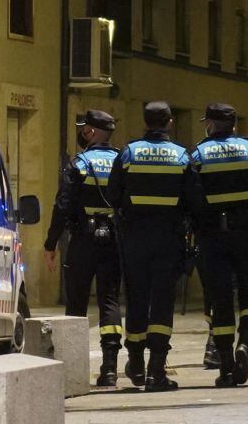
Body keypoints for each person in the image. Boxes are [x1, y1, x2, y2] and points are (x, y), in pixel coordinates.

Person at [189, 103, 248, 387]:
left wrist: (190, 230)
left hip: (212, 238)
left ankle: (226, 363)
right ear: (234, 124)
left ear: (211, 125)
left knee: (221, 299)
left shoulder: (198, 155)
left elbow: (190, 198)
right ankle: (246, 344)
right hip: (247, 236)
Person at [107, 101, 192, 391]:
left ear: (144, 122)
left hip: (134, 239)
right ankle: (157, 370)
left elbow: (113, 195)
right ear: (169, 122)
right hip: (168, 239)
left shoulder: (129, 153)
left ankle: (136, 365)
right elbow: (193, 201)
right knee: (163, 302)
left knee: (137, 299)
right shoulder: (181, 156)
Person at [44, 109, 124, 386]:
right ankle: (111, 368)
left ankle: (74, 371)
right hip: (113, 239)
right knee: (110, 300)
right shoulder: (121, 161)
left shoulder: (78, 164)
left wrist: (50, 243)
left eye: (83, 128)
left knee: (76, 303)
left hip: (83, 241)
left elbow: (62, 206)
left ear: (90, 132)